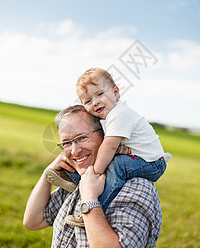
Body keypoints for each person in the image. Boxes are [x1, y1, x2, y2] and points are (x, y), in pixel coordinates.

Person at [23, 105, 162, 247]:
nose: (75, 151)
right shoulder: (81, 180)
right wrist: (48, 175)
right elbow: (33, 220)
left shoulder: (138, 188)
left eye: (82, 137)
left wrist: (90, 199)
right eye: (66, 143)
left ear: (105, 135)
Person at [63, 68, 171, 226]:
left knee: (115, 166)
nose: (95, 102)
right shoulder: (107, 117)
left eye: (100, 94)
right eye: (87, 101)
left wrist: (96, 172)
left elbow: (109, 146)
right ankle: (71, 177)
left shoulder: (119, 114)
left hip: (153, 163)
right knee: (102, 158)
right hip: (140, 158)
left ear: (116, 92)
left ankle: (94, 209)